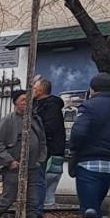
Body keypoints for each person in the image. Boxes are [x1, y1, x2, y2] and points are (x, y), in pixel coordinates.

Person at [69, 73, 110, 216]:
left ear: (92, 89)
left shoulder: (88, 107)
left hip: (88, 163)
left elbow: (78, 133)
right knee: (96, 206)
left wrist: (73, 153)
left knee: (89, 210)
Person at [0, 90, 48, 218]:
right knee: (7, 200)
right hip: (13, 168)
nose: (26, 102)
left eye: (28, 100)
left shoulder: (35, 119)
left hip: (33, 167)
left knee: (34, 201)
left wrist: (40, 159)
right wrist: (9, 161)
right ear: (15, 102)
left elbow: (42, 141)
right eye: (23, 99)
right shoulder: (7, 120)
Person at [31, 77, 67, 207]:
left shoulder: (50, 107)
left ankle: (42, 208)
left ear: (41, 90)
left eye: (34, 88)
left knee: (45, 181)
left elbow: (49, 128)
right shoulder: (39, 104)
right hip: (48, 150)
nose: (32, 91)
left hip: (49, 151)